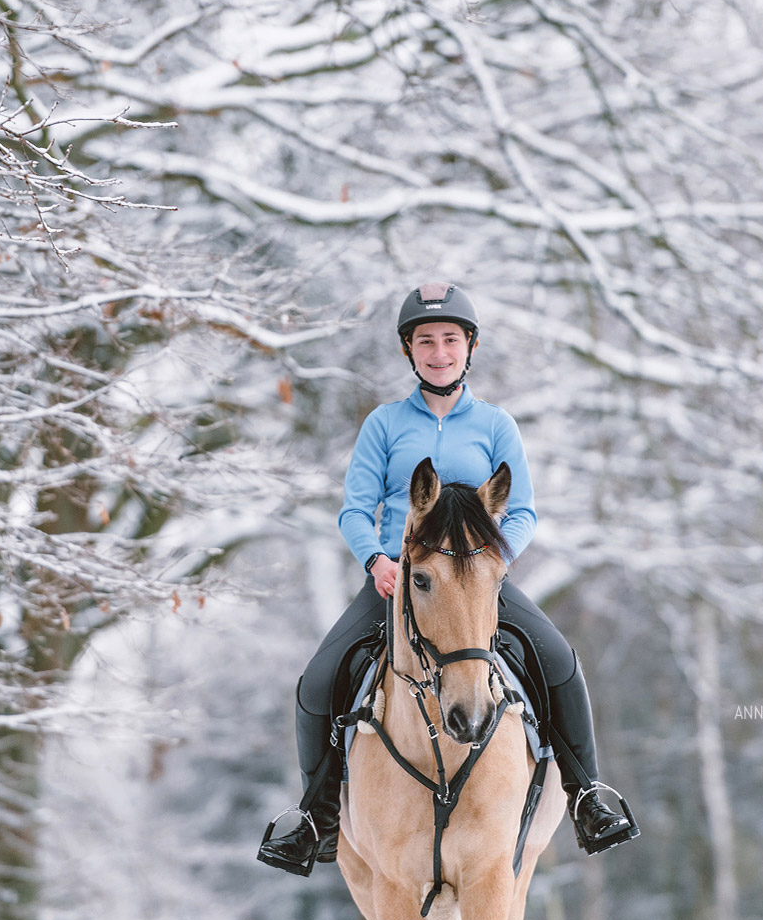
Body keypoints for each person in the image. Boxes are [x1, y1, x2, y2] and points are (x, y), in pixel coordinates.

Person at [257, 283, 637, 877]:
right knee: (319, 681)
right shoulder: (384, 425)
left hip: (480, 582)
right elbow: (355, 510)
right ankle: (315, 818)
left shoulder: (496, 424)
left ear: (470, 347)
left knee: (560, 661)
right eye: (427, 341)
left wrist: (496, 562)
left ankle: (587, 793)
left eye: (451, 340)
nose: (440, 352)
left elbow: (523, 511)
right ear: (409, 350)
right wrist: (377, 561)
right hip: (400, 582)